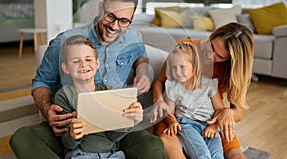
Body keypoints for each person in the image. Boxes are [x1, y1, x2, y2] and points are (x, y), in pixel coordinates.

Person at [10, 0, 166, 159]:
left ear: (131, 19)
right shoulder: (65, 42)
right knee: (23, 138)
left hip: (115, 127)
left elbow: (141, 55)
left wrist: (142, 71)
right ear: (100, 8)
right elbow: (42, 81)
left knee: (154, 147)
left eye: (123, 21)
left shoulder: (133, 37)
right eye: (110, 16)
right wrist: (48, 111)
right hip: (70, 127)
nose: (115, 26)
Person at [151, 22, 254, 159]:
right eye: (211, 46)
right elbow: (160, 81)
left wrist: (227, 113)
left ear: (231, 60)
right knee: (175, 149)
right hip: (177, 116)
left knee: (235, 155)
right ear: (212, 36)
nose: (211, 56)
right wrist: (158, 100)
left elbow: (239, 112)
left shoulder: (232, 71)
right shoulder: (186, 50)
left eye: (220, 57)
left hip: (210, 120)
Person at [56, 35, 143, 159]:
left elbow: (113, 136)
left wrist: (129, 122)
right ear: (66, 68)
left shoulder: (109, 91)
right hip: (80, 155)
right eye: (76, 61)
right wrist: (73, 135)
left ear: (97, 64)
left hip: (113, 154)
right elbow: (66, 143)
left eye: (88, 59)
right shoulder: (63, 95)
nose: (83, 64)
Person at [159, 42, 224, 159]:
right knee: (202, 155)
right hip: (187, 125)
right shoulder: (173, 86)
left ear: (194, 66)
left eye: (182, 67)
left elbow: (220, 110)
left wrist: (215, 126)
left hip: (209, 125)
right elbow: (169, 113)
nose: (177, 72)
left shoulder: (209, 84)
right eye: (174, 67)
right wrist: (172, 122)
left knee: (218, 156)